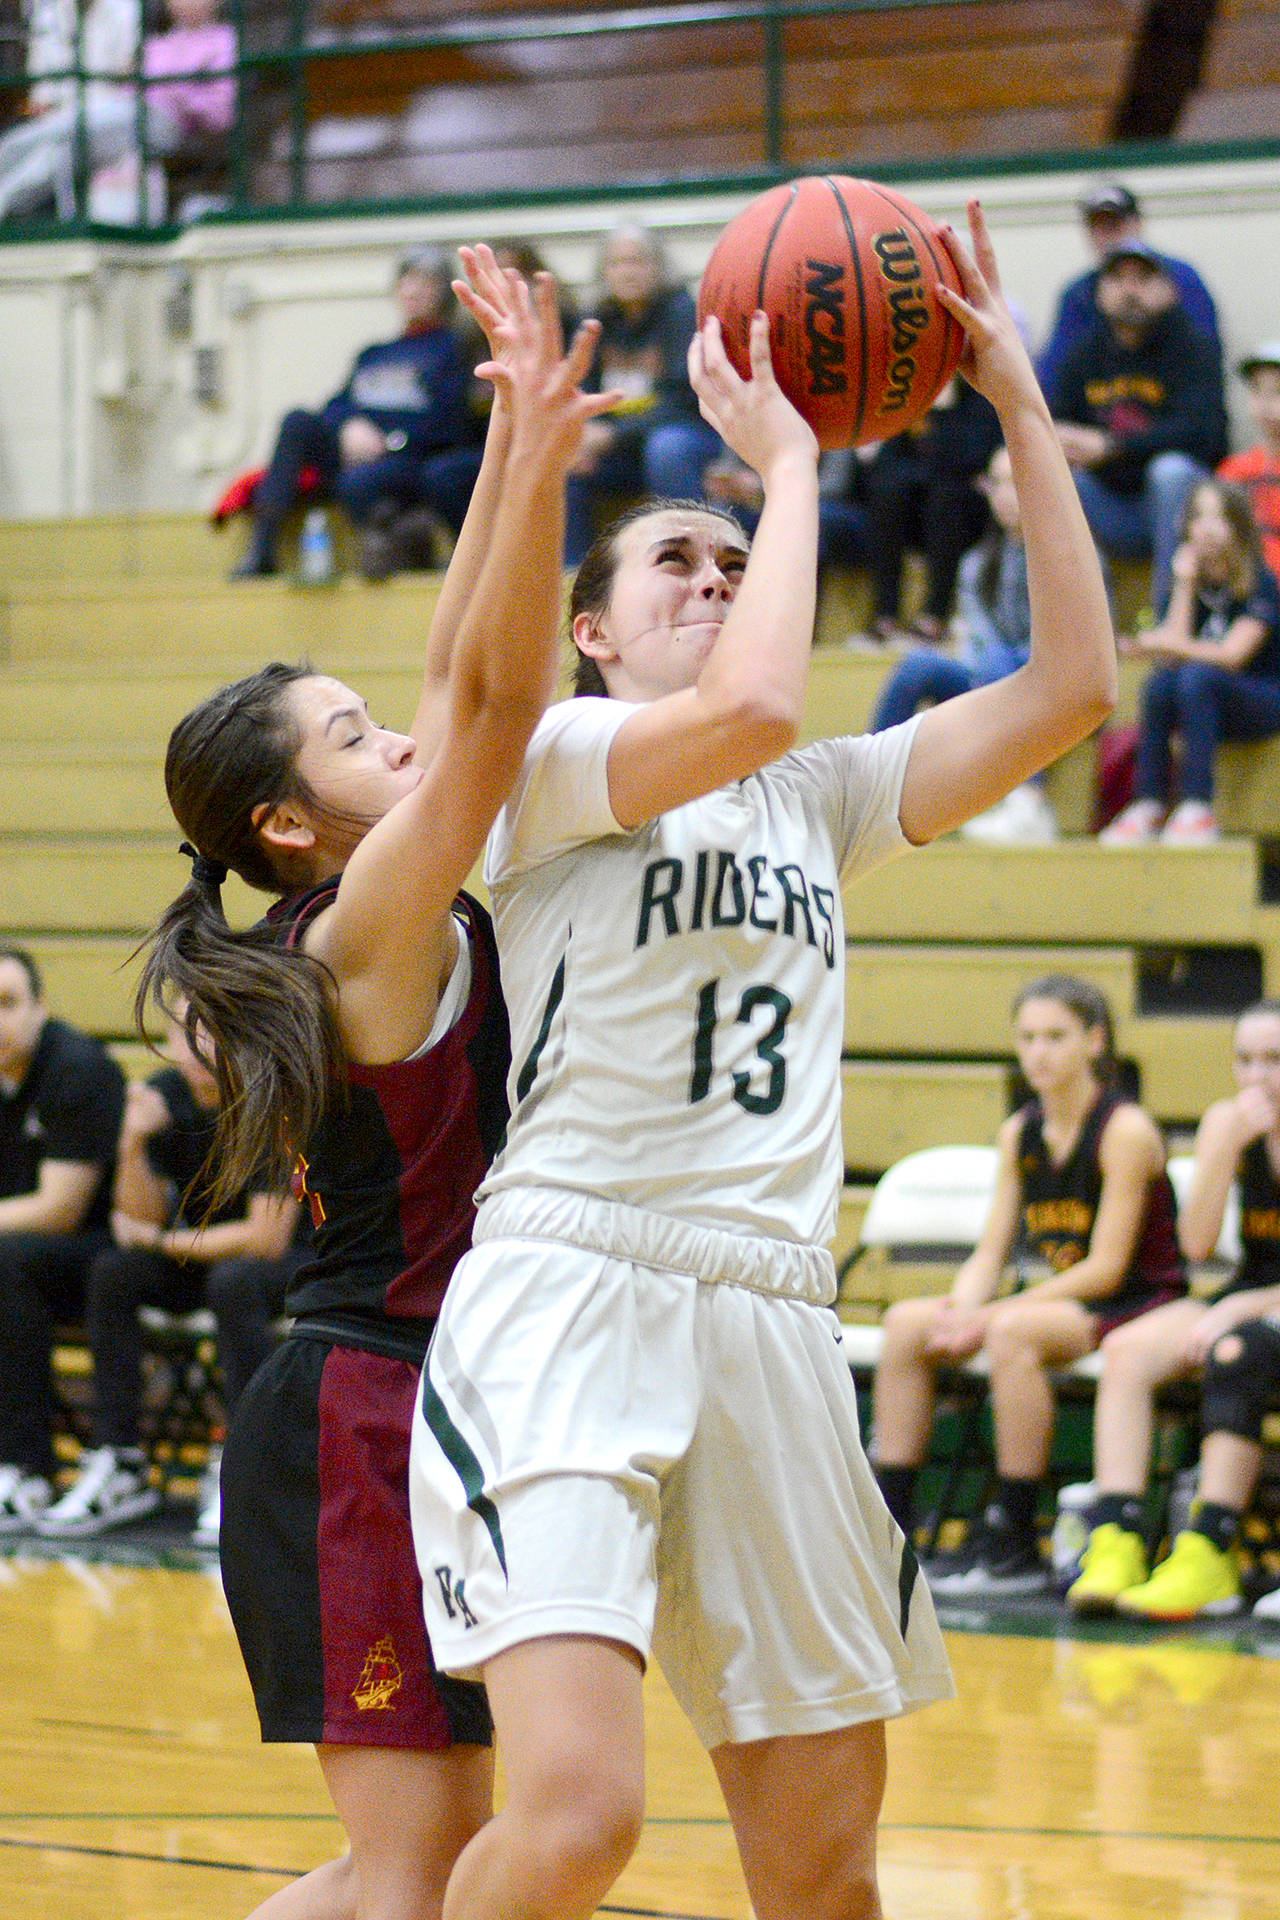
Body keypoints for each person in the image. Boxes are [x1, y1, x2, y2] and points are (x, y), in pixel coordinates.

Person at [407, 203, 1116, 1920]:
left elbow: (1081, 685)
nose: (718, 588)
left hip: (779, 1314)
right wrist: (785, 470)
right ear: (590, 633)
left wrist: (1019, 399)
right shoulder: (556, 762)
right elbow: (751, 707)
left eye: (736, 572)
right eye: (680, 571)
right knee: (578, 1821)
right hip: (574, 1284)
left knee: (824, 1874)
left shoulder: (819, 803)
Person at [135, 251, 615, 1920]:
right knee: (414, 1877)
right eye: (348, 739)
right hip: (356, 1412)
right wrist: (543, 460)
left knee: (399, 1870)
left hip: (441, 1401)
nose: (390, 741)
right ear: (285, 822)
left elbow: (444, 686)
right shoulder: (368, 927)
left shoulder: (359, 895)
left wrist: (504, 433)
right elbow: (491, 703)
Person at [872, 976, 1184, 1599]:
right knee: (909, 1323)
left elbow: (1107, 1268)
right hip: (1067, 1300)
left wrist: (989, 1317)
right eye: (1027, 1038)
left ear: (1095, 1041)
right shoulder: (1022, 1132)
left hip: (1135, 1303)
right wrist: (963, 1307)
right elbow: (990, 1251)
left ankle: (1013, 1537)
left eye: (1056, 1037)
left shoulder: (1124, 1130)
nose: (1039, 1052)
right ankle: (887, 1530)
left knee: (1011, 1333)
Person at [36, 1000, 305, 1543]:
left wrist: (163, 1240)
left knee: (236, 1281)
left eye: (210, 1031)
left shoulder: (273, 1097)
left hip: (291, 1262)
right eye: (182, 1034)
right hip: (202, 1257)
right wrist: (130, 1143)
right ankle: (122, 1460)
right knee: (116, 1271)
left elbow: (266, 1238)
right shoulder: (164, 1094)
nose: (195, 1048)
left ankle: (242, 1463)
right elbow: (135, 1219)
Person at [1068, 1000, 1280, 1621]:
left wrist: (1237, 1308)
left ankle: (1208, 1551)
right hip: (1256, 1285)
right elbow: (1197, 1245)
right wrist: (1219, 1152)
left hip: (1257, 1304)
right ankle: (1119, 1537)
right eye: (1244, 1060)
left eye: (1274, 1060)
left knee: (1235, 1348)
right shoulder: (1229, 1124)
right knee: (1127, 1349)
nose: (1255, 1077)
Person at [229, 244, 474, 580]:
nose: (414, 290)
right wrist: (348, 428)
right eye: (407, 281)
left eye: (426, 283)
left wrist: (387, 441)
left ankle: (395, 543)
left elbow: (450, 423)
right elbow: (335, 407)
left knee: (360, 482)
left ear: (443, 294)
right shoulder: (374, 354)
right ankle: (262, 550)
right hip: (354, 449)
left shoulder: (453, 349)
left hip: (408, 458)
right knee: (297, 421)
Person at [868, 444, 1057, 845]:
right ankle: (868, 788)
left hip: (1052, 683)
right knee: (918, 665)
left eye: (1015, 482)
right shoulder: (976, 562)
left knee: (1000, 662)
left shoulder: (1067, 555)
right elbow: (977, 640)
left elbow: (1077, 643)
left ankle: (1029, 800)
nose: (1005, 494)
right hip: (992, 679)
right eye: (997, 483)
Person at [0, 943, 125, 1531]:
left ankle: (25, 1467)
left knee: (7, 1260)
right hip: (20, 1255)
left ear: (39, 1007)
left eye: (7, 1003)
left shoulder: (77, 1067)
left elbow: (60, 1210)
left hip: (99, 1255)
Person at [1047, 238, 1228, 617]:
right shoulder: (1082, 354)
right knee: (1058, 477)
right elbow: (1055, 419)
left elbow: (1206, 434)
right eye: (1118, 279)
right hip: (1109, 504)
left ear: (1168, 291)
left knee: (1170, 471)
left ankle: (1169, 618)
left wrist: (1113, 446)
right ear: (1099, 293)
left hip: (1176, 511)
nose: (1131, 291)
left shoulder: (1193, 347)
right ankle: (1089, 625)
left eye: (1143, 280)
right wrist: (1064, 440)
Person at [1099, 477, 1280, 845]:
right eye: (1199, 517)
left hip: (1262, 700)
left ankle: (1197, 806)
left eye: (1220, 518)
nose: (1208, 529)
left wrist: (1164, 644)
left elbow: (1232, 656)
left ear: (1238, 527)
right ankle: (1147, 802)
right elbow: (1171, 655)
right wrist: (1182, 584)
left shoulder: (1260, 582)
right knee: (1161, 683)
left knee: (1197, 677)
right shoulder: (1186, 580)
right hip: (1201, 702)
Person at [564, 219, 722, 564]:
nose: (627, 272)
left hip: (689, 436)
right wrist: (583, 435)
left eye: (638, 261)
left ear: (659, 267)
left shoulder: (683, 313)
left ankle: (699, 561)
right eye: (617, 263)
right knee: (562, 457)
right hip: (623, 447)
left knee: (667, 448)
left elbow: (685, 402)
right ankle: (572, 575)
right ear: (604, 272)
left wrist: (613, 435)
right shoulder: (595, 321)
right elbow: (581, 392)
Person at [1036, 179, 1222, 399]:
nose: (1108, 235)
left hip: (1171, 403)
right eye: (1099, 227)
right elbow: (1056, 372)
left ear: (1137, 224)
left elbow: (1207, 362)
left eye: (1115, 224)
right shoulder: (1078, 293)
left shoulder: (1182, 279)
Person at [860, 374, 1001, 644]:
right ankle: (885, 613)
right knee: (886, 490)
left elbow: (973, 457)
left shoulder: (981, 395)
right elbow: (888, 457)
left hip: (966, 510)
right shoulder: (911, 392)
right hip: (917, 509)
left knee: (945, 495)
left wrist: (942, 411)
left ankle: (935, 615)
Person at [85, 0, 237, 224]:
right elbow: (125, 93)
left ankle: (16, 184)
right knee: (76, 130)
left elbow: (222, 112)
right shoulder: (155, 46)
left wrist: (177, 96)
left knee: (79, 133)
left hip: (168, 125)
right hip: (128, 121)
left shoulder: (226, 42)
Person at [0, 0, 139, 221]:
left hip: (111, 117)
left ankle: (6, 202)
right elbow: (40, 97)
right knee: (31, 148)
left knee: (56, 150)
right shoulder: (48, 13)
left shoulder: (126, 8)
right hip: (58, 124)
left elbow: (127, 73)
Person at [1218, 339, 1280, 581]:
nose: (1265, 403)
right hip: (1249, 595)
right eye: (1256, 389)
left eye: (1278, 390)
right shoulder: (1235, 470)